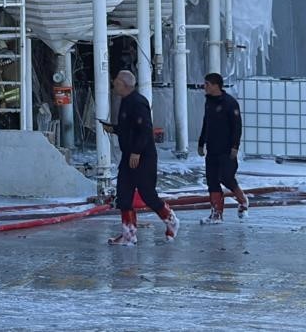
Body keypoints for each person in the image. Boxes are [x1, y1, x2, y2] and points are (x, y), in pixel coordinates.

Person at [100, 70, 178, 245]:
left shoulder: (138, 102)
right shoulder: (125, 102)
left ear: (125, 84)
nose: (114, 84)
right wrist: (113, 128)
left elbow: (145, 130)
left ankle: (171, 220)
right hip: (128, 156)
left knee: (148, 194)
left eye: (117, 82)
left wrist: (137, 151)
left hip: (143, 156)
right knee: (124, 195)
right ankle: (129, 234)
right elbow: (129, 128)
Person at [197, 73, 249, 224]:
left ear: (215, 85)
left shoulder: (229, 103)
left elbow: (237, 127)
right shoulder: (209, 102)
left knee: (226, 177)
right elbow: (206, 123)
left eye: (207, 84)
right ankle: (216, 214)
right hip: (212, 148)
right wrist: (201, 142)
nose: (204, 87)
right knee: (212, 180)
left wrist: (235, 146)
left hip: (226, 149)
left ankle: (243, 200)